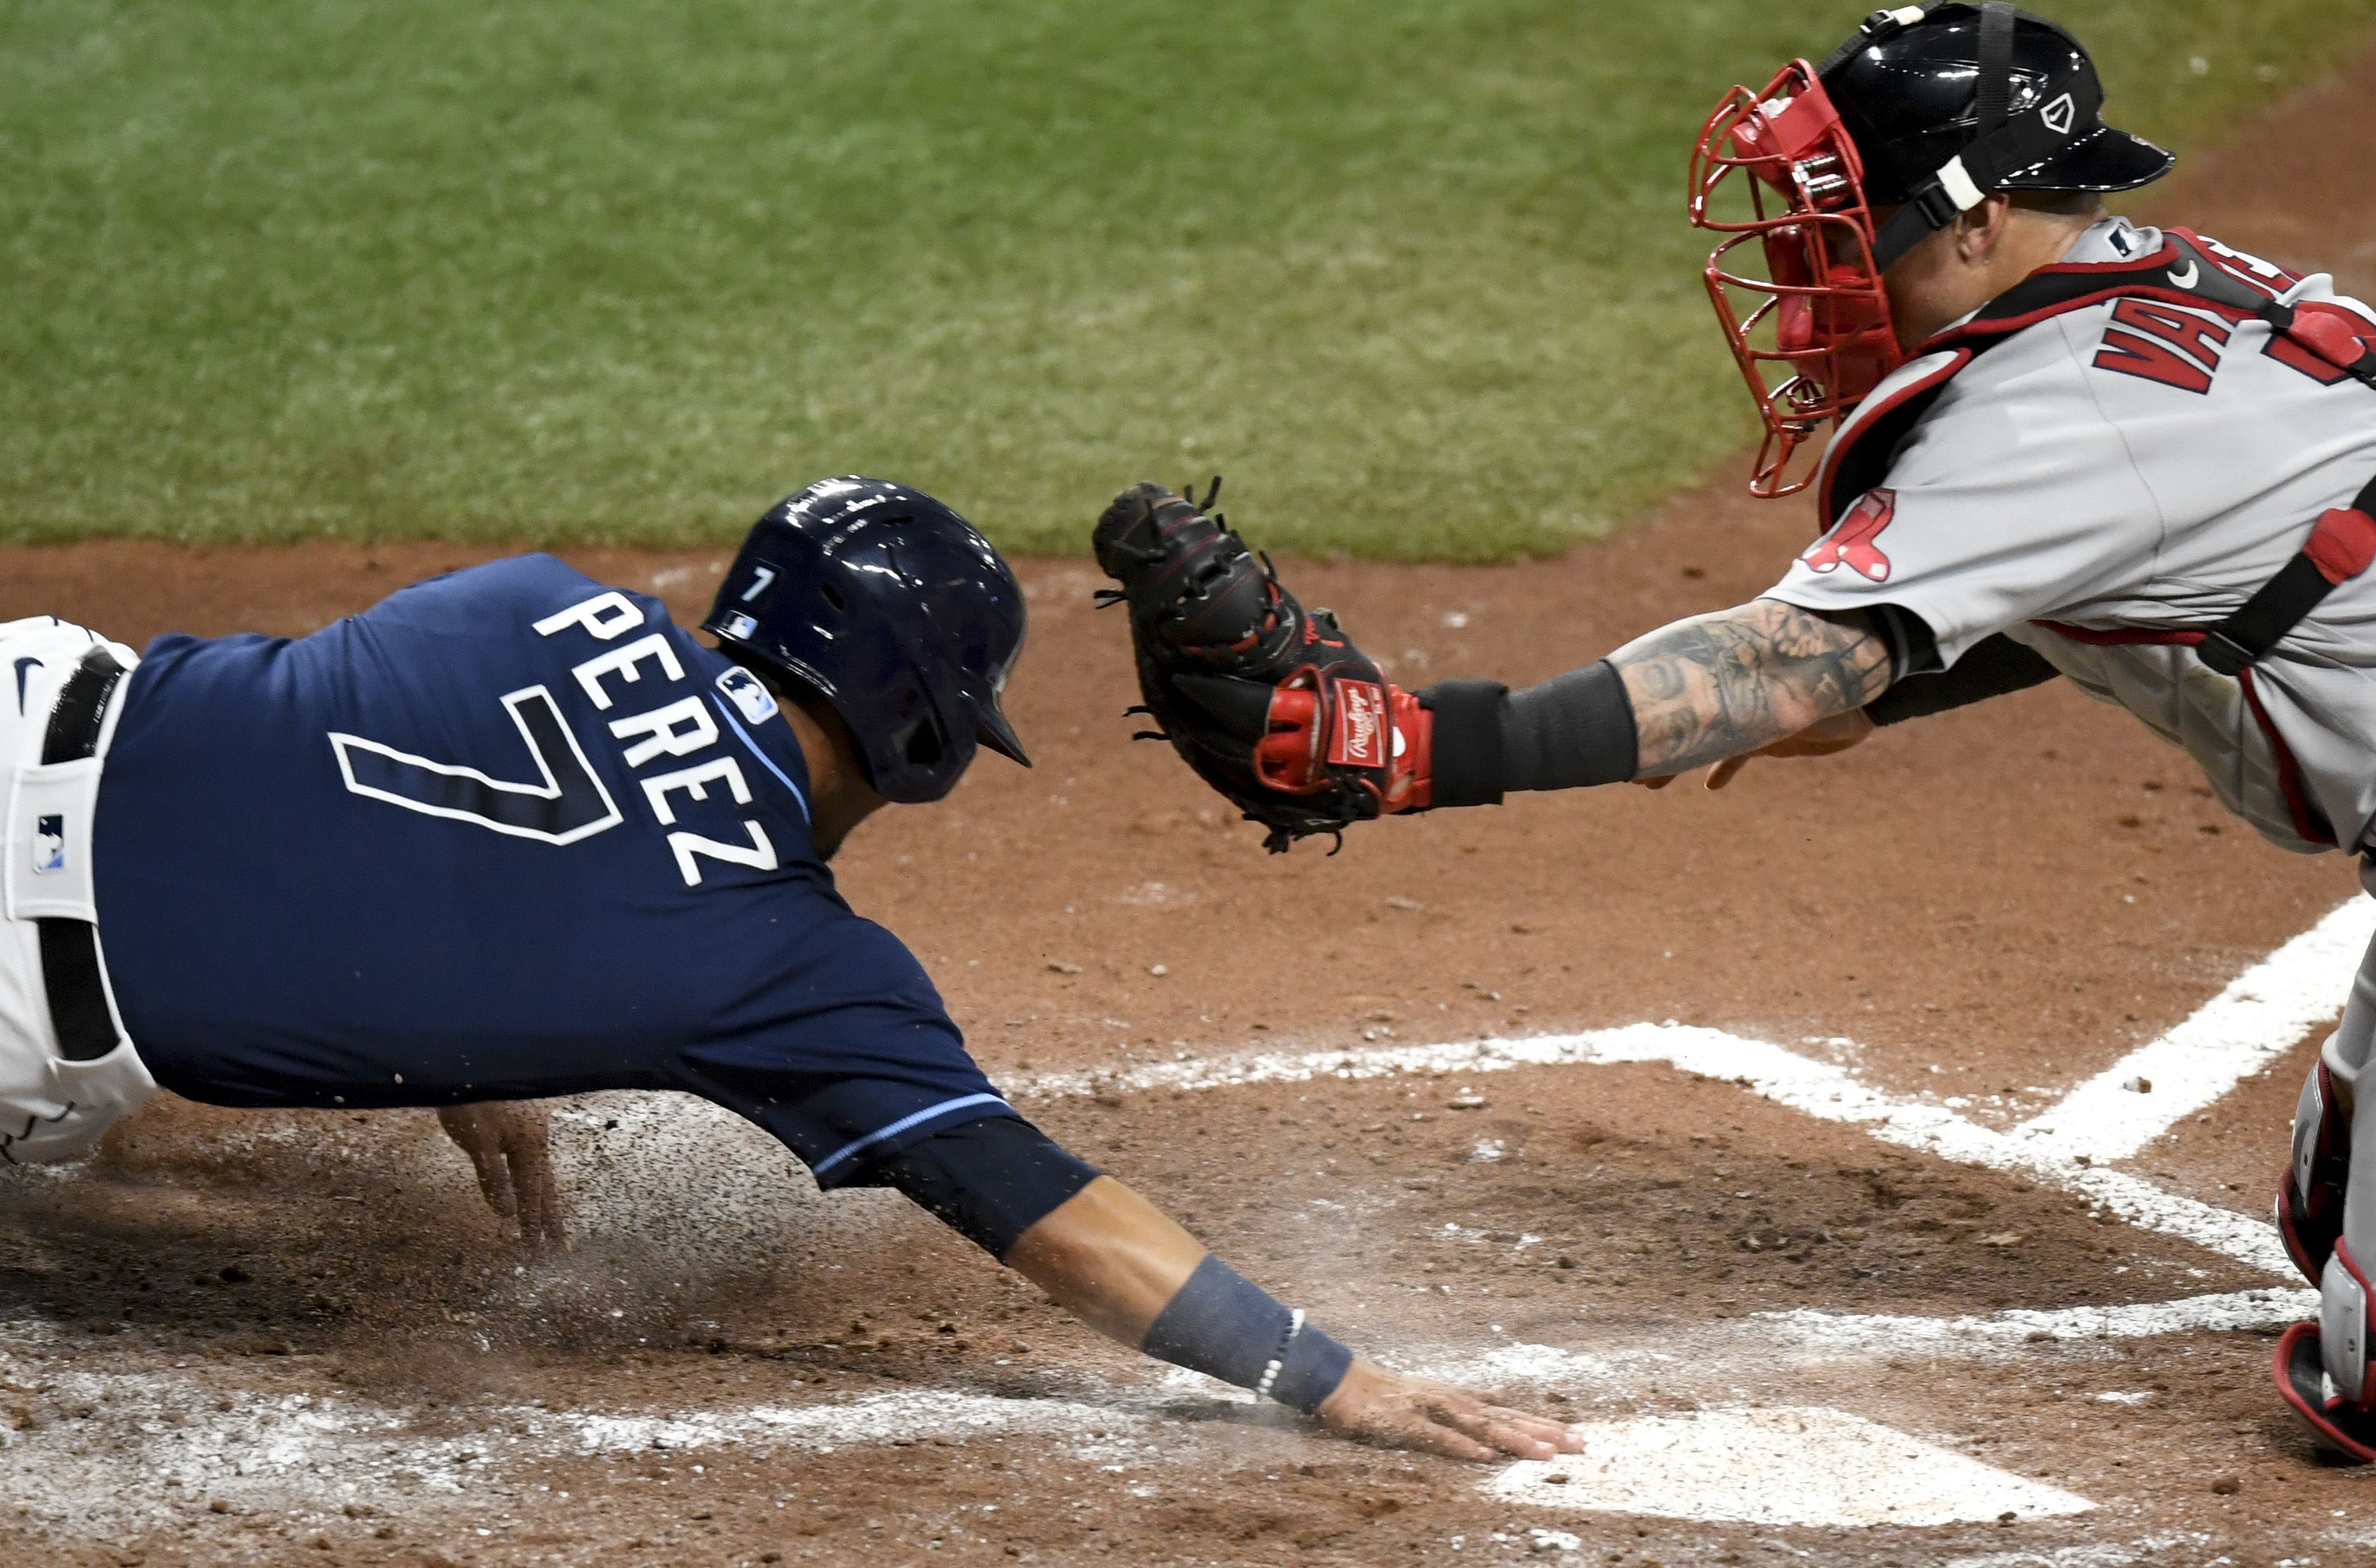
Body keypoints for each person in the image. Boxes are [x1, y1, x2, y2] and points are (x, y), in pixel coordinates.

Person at [1093, 4, 2376, 1465]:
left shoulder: (2053, 405)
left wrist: (1407, 743)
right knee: (2343, 1205)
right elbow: (2079, 608)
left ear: (1975, 225)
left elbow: (1780, 671)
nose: (1813, 270)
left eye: (1853, 225)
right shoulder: (2133, 298)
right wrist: (1836, 675)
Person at [0, 474, 1579, 1465]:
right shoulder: (784, 966)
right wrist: (1329, 1378)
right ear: (920, 731)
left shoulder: (542, 595)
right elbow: (1048, 1212)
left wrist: (456, 1051)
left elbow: (334, 775)